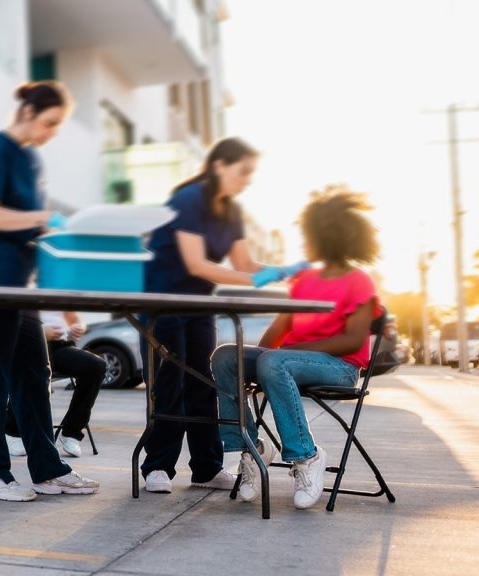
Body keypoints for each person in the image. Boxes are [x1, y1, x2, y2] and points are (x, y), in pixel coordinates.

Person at [139, 137, 304, 494]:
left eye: (251, 174)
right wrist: (252, 279)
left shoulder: (232, 212)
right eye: (243, 172)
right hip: (163, 301)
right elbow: (197, 264)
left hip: (199, 305)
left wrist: (282, 271)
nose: (247, 180)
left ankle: (206, 468)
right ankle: (158, 467)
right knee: (170, 383)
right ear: (219, 166)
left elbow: (243, 263)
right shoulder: (188, 199)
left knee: (203, 383)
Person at [0, 81, 99, 502]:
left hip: (21, 287)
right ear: (27, 112)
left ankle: (48, 469)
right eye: (50, 122)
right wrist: (42, 218)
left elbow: (30, 227)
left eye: (59, 125)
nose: (53, 132)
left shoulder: (32, 161)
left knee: (35, 376)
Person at [210, 186, 381, 509]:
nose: (304, 242)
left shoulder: (358, 280)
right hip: (286, 363)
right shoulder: (304, 280)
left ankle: (307, 456)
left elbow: (354, 340)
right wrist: (253, 365)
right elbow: (278, 330)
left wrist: (281, 357)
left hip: (339, 368)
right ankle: (251, 449)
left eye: (308, 235)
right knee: (226, 357)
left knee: (275, 362)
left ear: (326, 236)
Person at [4, 311, 105, 458]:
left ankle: (71, 432)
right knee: (30, 370)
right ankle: (12, 431)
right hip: (28, 343)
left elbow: (74, 317)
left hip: (59, 347)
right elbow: (9, 321)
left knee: (96, 366)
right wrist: (40, 331)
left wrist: (79, 326)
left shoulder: (59, 295)